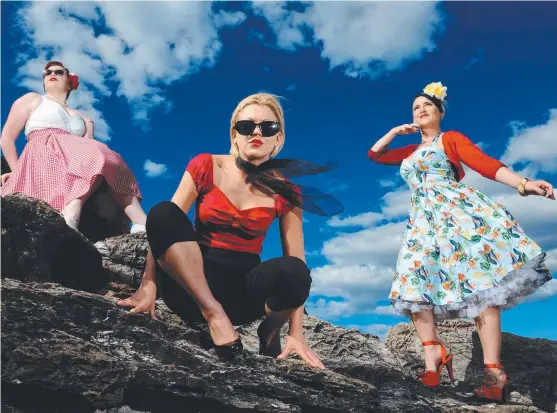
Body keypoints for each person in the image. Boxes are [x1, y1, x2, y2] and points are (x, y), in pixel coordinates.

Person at [118, 93, 342, 368]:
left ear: (278, 138)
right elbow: (162, 229)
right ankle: (214, 315)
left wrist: (295, 333)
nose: (256, 132)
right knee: (163, 211)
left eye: (268, 127)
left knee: (295, 270)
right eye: (247, 126)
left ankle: (267, 331)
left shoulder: (288, 191)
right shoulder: (206, 164)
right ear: (234, 134)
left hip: (243, 297)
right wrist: (148, 286)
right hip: (190, 288)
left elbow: (298, 262)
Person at [368, 82, 554, 402]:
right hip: (424, 225)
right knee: (412, 287)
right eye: (415, 107)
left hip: (459, 216)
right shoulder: (410, 152)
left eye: (427, 105)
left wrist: (523, 184)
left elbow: (485, 164)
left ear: (440, 111)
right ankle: (434, 358)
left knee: (483, 291)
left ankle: (494, 373)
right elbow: (375, 154)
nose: (420, 110)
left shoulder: (450, 139)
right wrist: (395, 132)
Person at [1, 61, 146, 232]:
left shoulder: (84, 117)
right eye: (47, 73)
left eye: (59, 72)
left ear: (70, 82)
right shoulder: (33, 99)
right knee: (97, 154)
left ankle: (142, 222)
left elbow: (89, 144)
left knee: (108, 158)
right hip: (43, 149)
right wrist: (19, 171)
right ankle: (72, 210)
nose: (51, 74)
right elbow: (7, 138)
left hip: (74, 155)